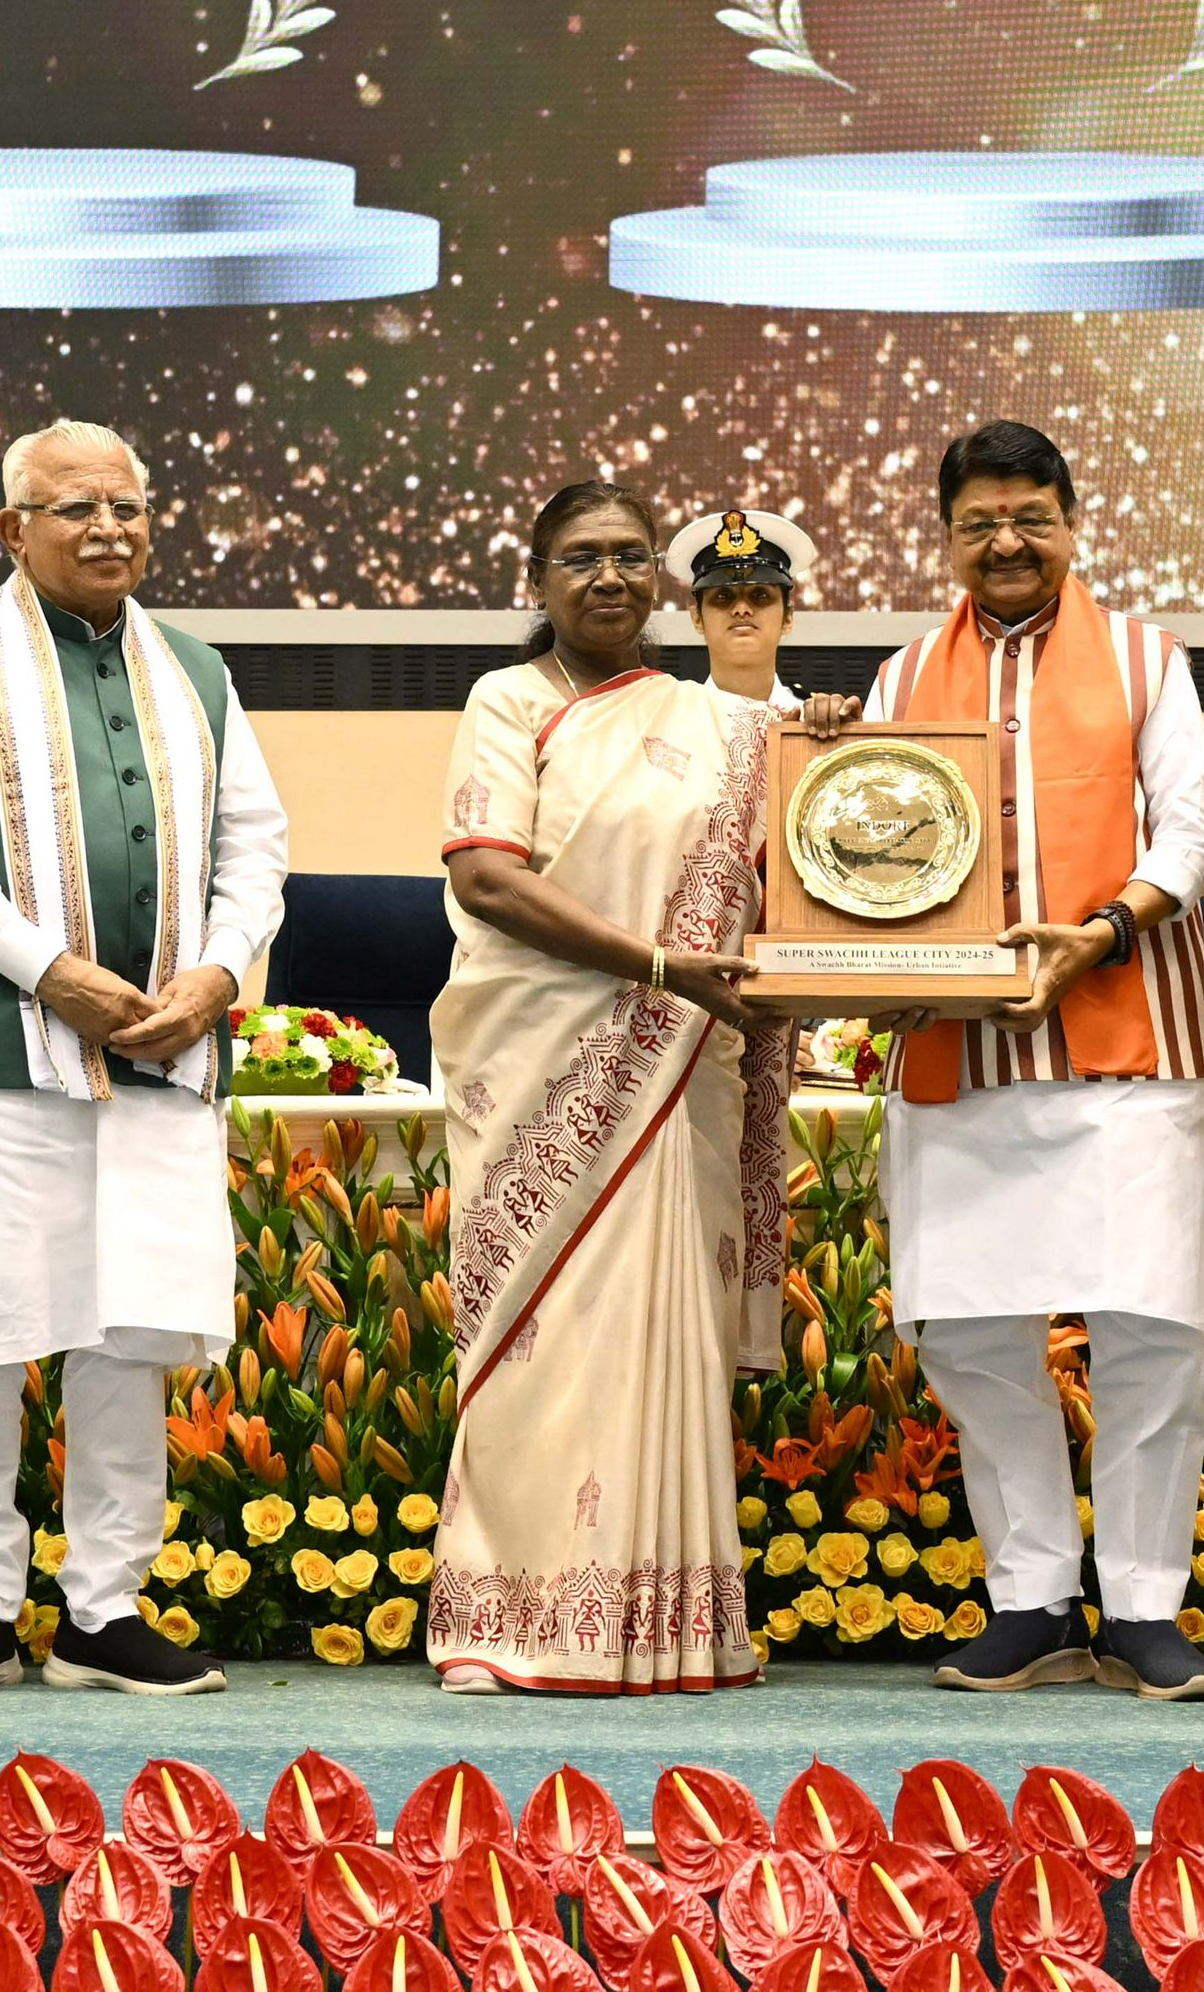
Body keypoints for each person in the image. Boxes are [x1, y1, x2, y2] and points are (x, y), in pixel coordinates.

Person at [0, 421, 288, 1699]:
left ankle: (104, 1607)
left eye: (128, 505)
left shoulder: (196, 668)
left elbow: (255, 845)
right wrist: (47, 968)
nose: (109, 527)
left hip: (163, 1050)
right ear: (12, 529)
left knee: (128, 1336)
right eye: (75, 508)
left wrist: (218, 971)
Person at [866, 420, 1204, 1706]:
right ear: (946, 538)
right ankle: (1030, 1598)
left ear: (1072, 524)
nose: (1007, 541)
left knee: (1149, 1325)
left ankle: (1141, 1606)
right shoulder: (899, 677)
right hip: (957, 1051)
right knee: (972, 1330)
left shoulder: (1148, 657)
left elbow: (1191, 834)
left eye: (1031, 516)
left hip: (1127, 1042)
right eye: (979, 522)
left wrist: (1102, 931)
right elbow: (856, 852)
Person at [428, 480, 792, 1693]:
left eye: (632, 555)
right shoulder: (507, 700)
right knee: (537, 1339)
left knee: (654, 1335)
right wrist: (659, 965)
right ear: (537, 579)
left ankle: (662, 1623)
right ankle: (509, 1614)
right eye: (581, 556)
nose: (609, 577)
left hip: (681, 1070)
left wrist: (822, 749)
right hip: (535, 1059)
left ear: (660, 578)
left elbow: (790, 861)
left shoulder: (725, 723)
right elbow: (486, 877)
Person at [664, 504, 821, 710]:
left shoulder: (813, 722)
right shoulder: (672, 721)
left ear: (788, 617)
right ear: (697, 618)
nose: (741, 609)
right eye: (723, 596)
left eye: (760, 596)